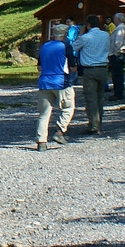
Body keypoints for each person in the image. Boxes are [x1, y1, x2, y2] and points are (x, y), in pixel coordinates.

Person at [36, 23, 76, 151]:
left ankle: (41, 141)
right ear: (65, 35)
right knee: (68, 107)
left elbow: (39, 67)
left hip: (44, 82)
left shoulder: (44, 46)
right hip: (60, 82)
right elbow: (73, 67)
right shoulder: (66, 47)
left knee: (44, 113)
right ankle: (60, 131)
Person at [72, 15, 110, 134]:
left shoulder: (85, 37)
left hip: (90, 68)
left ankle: (94, 125)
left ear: (88, 25)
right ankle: (99, 122)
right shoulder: (106, 35)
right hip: (103, 67)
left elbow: (74, 47)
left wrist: (80, 34)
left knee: (91, 97)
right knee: (100, 97)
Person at [109, 12, 125, 101]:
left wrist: (115, 52)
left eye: (115, 18)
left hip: (117, 54)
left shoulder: (120, 28)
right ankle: (117, 92)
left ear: (119, 19)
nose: (114, 20)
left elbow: (118, 41)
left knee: (117, 74)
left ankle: (118, 93)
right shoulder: (120, 27)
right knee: (117, 74)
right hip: (118, 53)